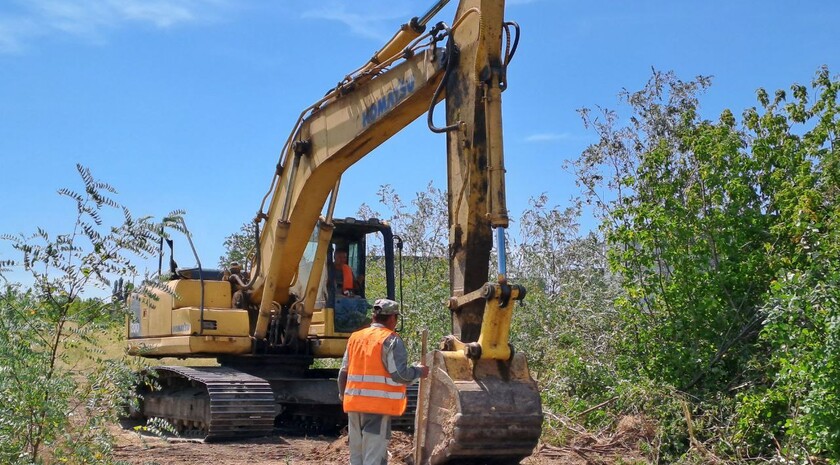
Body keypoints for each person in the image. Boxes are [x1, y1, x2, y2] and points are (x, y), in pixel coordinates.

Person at [338, 298, 429, 465]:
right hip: (376, 408)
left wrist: (343, 396)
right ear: (393, 318)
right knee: (373, 458)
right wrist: (418, 371)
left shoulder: (355, 337)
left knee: (356, 457)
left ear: (374, 316)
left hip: (353, 406)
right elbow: (399, 376)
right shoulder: (391, 340)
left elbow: (343, 373)